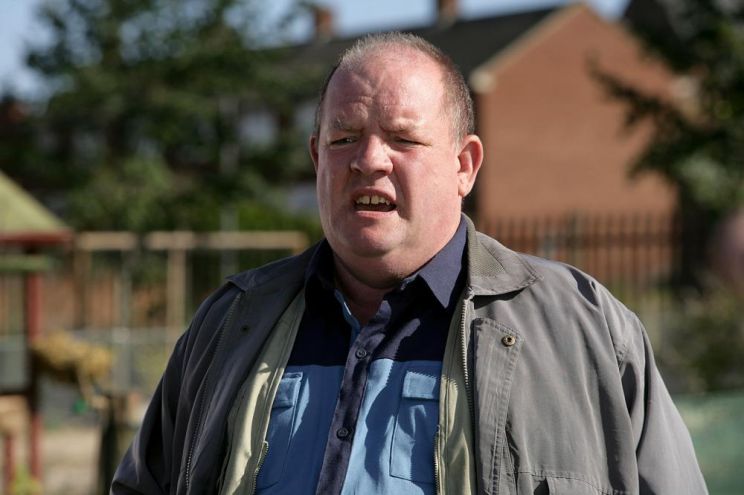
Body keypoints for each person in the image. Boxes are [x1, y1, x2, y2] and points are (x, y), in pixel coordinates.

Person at [112, 33, 707, 494]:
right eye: (343, 138)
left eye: (403, 138)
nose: (369, 160)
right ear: (317, 158)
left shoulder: (587, 331)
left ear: (464, 166)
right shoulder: (230, 324)